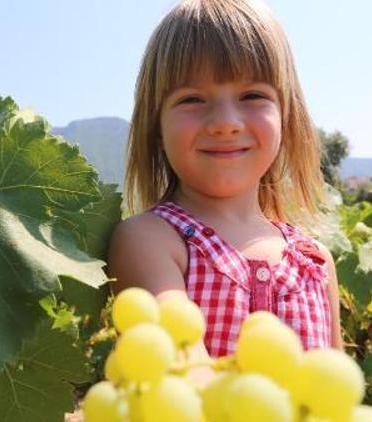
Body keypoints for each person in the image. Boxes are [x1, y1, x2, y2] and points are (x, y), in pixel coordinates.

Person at [107, 0, 344, 370]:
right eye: (192, 99)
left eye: (252, 96)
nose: (226, 122)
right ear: (156, 130)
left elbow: (335, 390)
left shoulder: (316, 263)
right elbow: (182, 386)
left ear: (287, 116)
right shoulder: (150, 241)